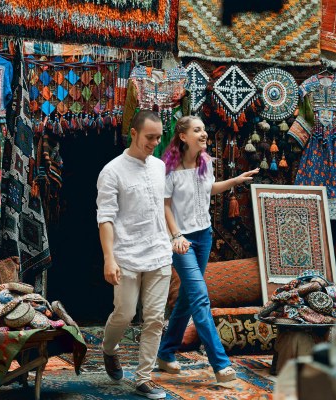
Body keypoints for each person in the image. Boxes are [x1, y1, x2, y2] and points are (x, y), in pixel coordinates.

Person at [157, 115, 260, 383]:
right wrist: (175, 235)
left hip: (204, 236)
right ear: (182, 136)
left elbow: (209, 189)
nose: (203, 134)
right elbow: (165, 205)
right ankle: (220, 363)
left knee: (187, 299)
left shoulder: (205, 162)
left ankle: (166, 352)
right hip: (182, 242)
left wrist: (235, 181)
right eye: (197, 130)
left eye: (204, 129)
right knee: (201, 298)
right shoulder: (169, 169)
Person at [96, 110, 173, 399]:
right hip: (126, 254)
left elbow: (162, 207)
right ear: (134, 133)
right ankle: (108, 348)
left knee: (154, 319)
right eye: (149, 137)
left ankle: (144, 377)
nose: (155, 142)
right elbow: (105, 217)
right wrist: (109, 258)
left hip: (159, 253)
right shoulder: (112, 171)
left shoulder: (159, 166)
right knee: (125, 313)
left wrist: (173, 237)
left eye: (158, 136)